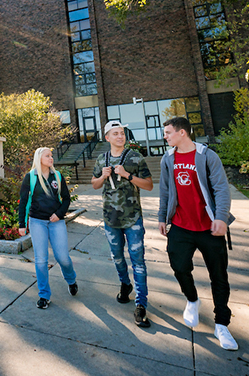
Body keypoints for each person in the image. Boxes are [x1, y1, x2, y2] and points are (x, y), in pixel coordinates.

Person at [158, 116, 238, 351]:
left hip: (209, 227)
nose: (165, 136)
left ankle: (222, 324)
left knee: (219, 276)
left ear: (182, 133)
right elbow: (165, 190)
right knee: (180, 267)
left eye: (168, 132)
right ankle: (192, 299)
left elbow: (221, 189)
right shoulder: (168, 158)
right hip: (181, 226)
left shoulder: (207, 156)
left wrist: (221, 218)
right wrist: (163, 218)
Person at [91, 121, 154, 328]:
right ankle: (125, 284)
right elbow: (94, 184)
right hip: (111, 220)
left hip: (133, 218)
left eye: (122, 133)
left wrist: (127, 174)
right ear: (107, 137)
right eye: (115, 134)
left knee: (138, 261)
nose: (120, 136)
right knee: (117, 258)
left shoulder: (135, 157)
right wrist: (103, 176)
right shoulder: (102, 159)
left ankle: (141, 304)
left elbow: (149, 185)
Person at [18, 147, 77, 309]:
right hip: (37, 222)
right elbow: (23, 202)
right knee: (41, 259)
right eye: (48, 156)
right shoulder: (30, 177)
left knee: (63, 257)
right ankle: (44, 295)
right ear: (39, 158)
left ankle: (71, 280)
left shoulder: (57, 176)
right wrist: (22, 224)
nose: (51, 158)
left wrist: (59, 214)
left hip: (56, 222)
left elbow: (66, 199)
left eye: (51, 156)